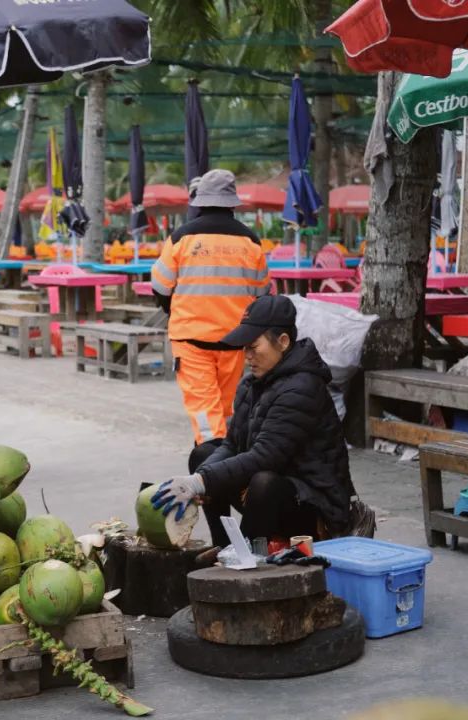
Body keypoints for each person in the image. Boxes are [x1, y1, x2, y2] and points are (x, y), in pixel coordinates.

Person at [152, 295, 354, 547]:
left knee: (263, 482)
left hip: (313, 506)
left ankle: (243, 554)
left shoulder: (303, 388)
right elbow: (232, 444)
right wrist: (201, 479)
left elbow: (265, 456)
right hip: (269, 491)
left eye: (253, 347)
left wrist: (201, 482)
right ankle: (222, 546)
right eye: (244, 348)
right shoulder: (251, 385)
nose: (247, 356)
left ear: (282, 342)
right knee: (203, 455)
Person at [151, 169, 269, 448]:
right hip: (234, 340)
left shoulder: (181, 238)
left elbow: (160, 286)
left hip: (191, 339)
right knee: (227, 409)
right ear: (232, 202)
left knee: (204, 409)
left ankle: (210, 462)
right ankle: (224, 461)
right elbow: (262, 293)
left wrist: (175, 308)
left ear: (200, 201)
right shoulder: (250, 241)